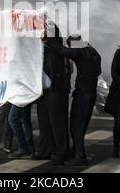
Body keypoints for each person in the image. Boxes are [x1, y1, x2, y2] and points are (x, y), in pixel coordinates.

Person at [46, 34, 102, 165]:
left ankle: (80, 156)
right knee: (81, 125)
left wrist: (48, 40)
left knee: (76, 125)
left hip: (82, 93)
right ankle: (76, 150)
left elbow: (62, 51)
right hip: (90, 92)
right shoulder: (93, 51)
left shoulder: (80, 50)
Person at [35, 25, 70, 165]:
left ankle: (61, 152)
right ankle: (45, 151)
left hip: (56, 90)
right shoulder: (39, 48)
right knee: (43, 122)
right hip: (42, 91)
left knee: (57, 122)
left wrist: (48, 39)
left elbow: (57, 45)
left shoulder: (56, 47)